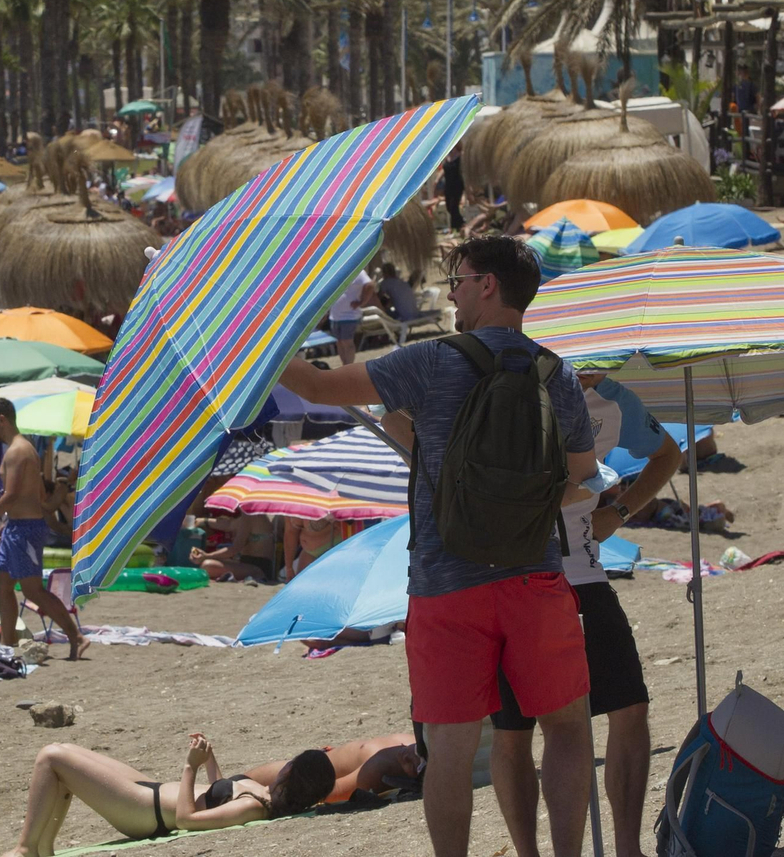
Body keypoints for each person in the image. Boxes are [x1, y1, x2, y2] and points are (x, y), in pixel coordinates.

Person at [279, 235, 599, 857]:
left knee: (448, 745)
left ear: (488, 286)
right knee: (566, 727)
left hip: (445, 583)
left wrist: (259, 342)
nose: (451, 290)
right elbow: (582, 472)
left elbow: (317, 389)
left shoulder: (429, 361)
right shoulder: (552, 371)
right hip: (533, 577)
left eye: (459, 279)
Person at [488, 371, 682, 857]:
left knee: (630, 706)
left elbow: (668, 455)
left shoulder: (614, 396)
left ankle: (626, 848)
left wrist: (619, 513)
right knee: (514, 731)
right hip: (508, 580)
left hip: (584, 577)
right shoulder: (499, 386)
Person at [1, 734, 339, 857]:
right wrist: (209, 758)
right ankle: (41, 850)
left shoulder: (254, 807)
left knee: (51, 757)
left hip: (145, 812)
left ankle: (25, 849)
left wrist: (189, 767)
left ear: (290, 773)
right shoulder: (260, 793)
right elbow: (217, 793)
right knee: (66, 750)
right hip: (149, 792)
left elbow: (187, 820)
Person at [0, 399, 89, 659]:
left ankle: (75, 635)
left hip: (26, 530)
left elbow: (10, 496)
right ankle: (7, 644)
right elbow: (33, 494)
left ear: (2, 419)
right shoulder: (20, 449)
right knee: (3, 584)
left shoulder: (18, 451)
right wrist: (9, 523)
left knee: (33, 590)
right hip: (17, 527)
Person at [327, 268, 372, 365]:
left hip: (349, 315)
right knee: (339, 342)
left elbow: (370, 285)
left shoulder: (358, 272)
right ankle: (345, 365)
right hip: (334, 315)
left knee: (347, 342)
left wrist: (362, 302)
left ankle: (349, 365)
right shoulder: (335, 272)